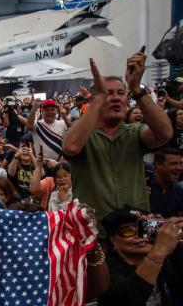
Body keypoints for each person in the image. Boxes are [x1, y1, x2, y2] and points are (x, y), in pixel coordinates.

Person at [63, 53, 173, 226]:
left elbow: (164, 133)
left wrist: (137, 90)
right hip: (92, 233)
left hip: (134, 231)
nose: (115, 97)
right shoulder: (81, 134)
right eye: (108, 93)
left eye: (121, 93)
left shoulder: (135, 133)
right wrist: (99, 98)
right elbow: (71, 147)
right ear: (95, 99)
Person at [149, 148, 183, 218]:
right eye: (174, 164)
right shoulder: (142, 186)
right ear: (158, 165)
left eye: (181, 164)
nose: (180, 168)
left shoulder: (179, 192)